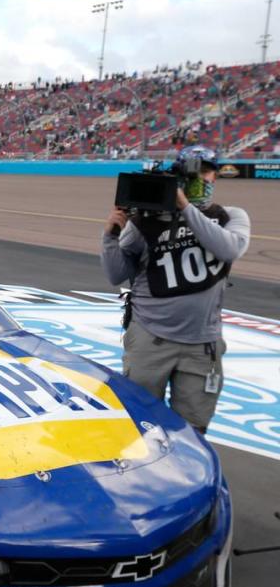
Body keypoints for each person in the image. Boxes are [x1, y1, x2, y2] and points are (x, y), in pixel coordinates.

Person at [101, 145, 250, 432]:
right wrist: (110, 235)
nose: (201, 179)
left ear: (215, 176)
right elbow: (116, 274)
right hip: (150, 338)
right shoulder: (146, 222)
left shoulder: (230, 216)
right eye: (194, 172)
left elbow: (228, 249)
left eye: (207, 171)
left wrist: (185, 208)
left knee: (192, 429)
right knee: (140, 424)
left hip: (201, 342)